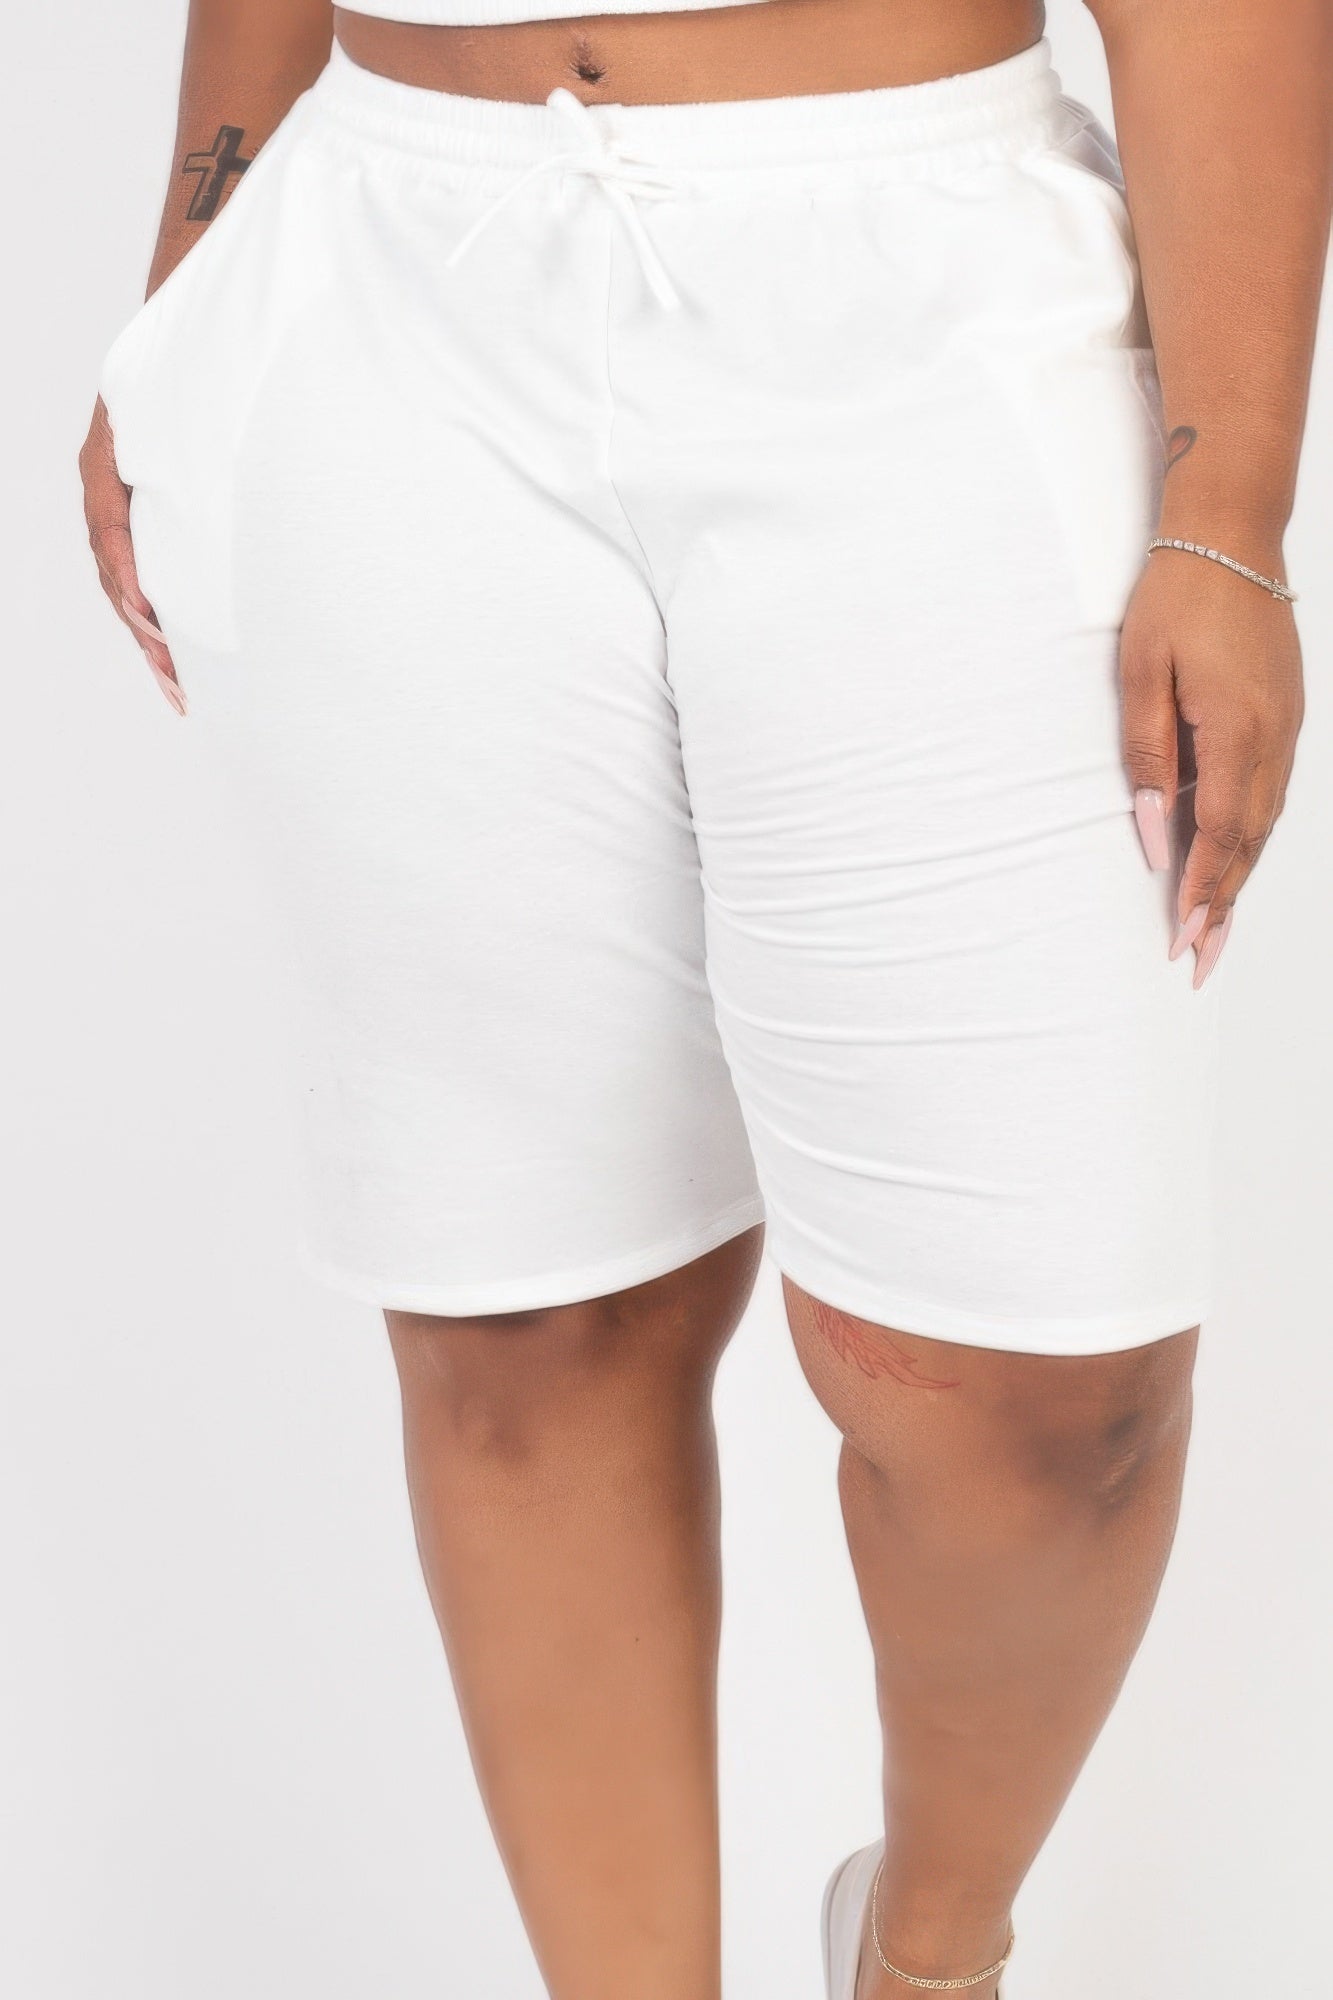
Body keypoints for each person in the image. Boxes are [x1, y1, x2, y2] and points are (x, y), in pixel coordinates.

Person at [79, 0, 1329, 1994]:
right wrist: (189, 284)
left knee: (1039, 1393)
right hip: (385, 291)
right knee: (527, 1311)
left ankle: (925, 1958)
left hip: (926, 294)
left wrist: (1228, 518)